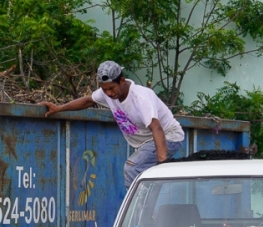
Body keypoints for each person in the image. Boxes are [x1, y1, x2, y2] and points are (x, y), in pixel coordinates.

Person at [41, 61, 185, 187]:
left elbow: (156, 128)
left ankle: (140, 212)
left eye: (111, 88)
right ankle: (147, 207)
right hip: (146, 142)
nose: (109, 93)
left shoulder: (141, 97)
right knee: (141, 175)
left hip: (168, 136)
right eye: (105, 89)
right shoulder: (106, 93)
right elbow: (88, 100)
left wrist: (162, 164)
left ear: (122, 81)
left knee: (132, 168)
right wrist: (59, 108)